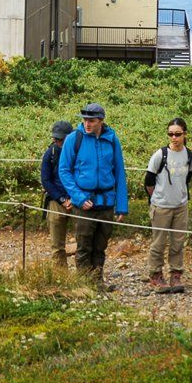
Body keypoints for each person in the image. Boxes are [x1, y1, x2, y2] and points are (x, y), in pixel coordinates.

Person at [57, 103, 128, 286]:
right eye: (85, 120)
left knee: (100, 246)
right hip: (84, 204)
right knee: (83, 246)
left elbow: (119, 172)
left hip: (106, 202)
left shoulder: (112, 139)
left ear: (101, 121)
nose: (87, 124)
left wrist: (121, 205)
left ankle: (97, 282)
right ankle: (83, 285)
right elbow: (64, 170)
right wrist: (79, 197)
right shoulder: (74, 138)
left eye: (92, 120)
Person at [144, 117, 192, 293]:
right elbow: (149, 180)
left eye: (177, 134)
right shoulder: (160, 155)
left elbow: (188, 177)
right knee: (158, 242)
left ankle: (176, 273)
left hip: (181, 205)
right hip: (161, 205)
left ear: (185, 134)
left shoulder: (190, 155)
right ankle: (155, 274)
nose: (174, 138)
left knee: (178, 242)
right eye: (171, 134)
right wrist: (156, 197)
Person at [40, 120, 75, 268]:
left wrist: (74, 198)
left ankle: (85, 274)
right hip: (56, 198)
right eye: (55, 138)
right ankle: (60, 274)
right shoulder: (50, 153)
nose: (57, 141)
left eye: (60, 139)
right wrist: (61, 199)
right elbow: (45, 180)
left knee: (85, 241)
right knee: (56, 245)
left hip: (78, 198)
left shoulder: (79, 152)